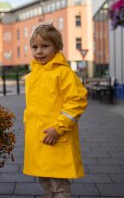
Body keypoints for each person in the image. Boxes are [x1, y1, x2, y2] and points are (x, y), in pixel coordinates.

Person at [23, 24, 88, 198]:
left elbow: (77, 101)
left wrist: (58, 128)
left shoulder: (63, 73)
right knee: (46, 182)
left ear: (57, 47)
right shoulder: (33, 75)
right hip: (40, 138)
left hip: (56, 135)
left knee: (59, 184)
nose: (39, 51)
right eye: (35, 47)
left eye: (45, 46)